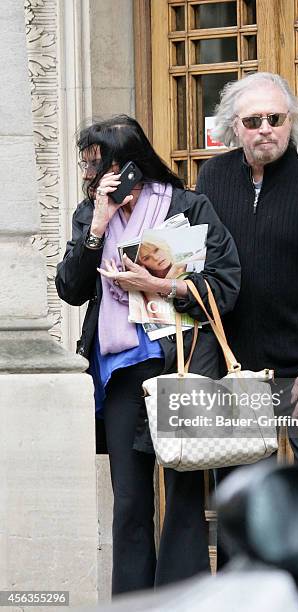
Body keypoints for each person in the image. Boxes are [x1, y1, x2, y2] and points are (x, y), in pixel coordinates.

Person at [55, 115, 240, 594]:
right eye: (85, 163)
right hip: (119, 374)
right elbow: (71, 289)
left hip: (180, 364)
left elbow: (226, 287)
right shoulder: (89, 213)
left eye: (96, 163)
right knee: (130, 503)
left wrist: (157, 285)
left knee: (182, 494)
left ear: (129, 167)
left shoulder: (188, 207)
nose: (88, 174)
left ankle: (185, 600)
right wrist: (97, 224)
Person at [196, 72, 298, 476]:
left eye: (275, 118)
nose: (265, 129)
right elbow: (200, 266)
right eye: (252, 121)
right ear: (234, 128)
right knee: (246, 501)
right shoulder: (212, 178)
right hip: (238, 374)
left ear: (292, 121)